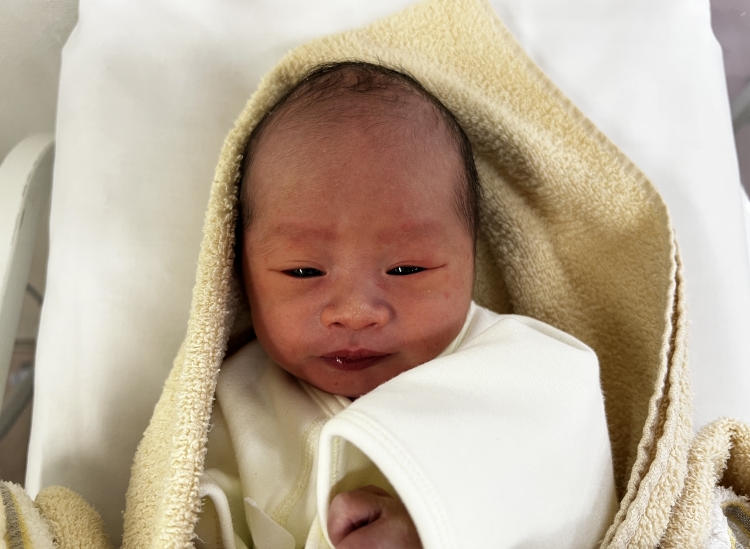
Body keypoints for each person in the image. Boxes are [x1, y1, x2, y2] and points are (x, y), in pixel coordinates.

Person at [198, 61, 613, 549]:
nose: (355, 312)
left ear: (472, 258)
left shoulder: (527, 365)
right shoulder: (231, 401)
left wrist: (434, 527)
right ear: (239, 270)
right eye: (304, 272)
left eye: (406, 269)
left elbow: (570, 472)